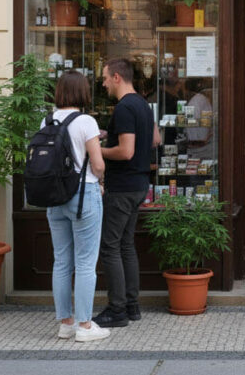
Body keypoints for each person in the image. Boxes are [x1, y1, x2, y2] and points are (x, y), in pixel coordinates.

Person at [93, 58, 160, 328]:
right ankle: (131, 306)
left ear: (118, 77)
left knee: (110, 247)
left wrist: (97, 150)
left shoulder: (123, 107)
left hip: (121, 187)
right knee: (125, 245)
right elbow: (154, 139)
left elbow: (126, 151)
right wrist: (110, 134)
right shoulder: (143, 104)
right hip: (139, 185)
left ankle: (117, 310)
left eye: (106, 77)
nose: (104, 82)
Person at [46, 71, 109, 342]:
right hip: (83, 194)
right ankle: (84, 326)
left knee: (61, 261)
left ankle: (65, 323)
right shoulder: (86, 121)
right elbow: (97, 164)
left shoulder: (47, 119)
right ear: (83, 92)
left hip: (54, 197)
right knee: (85, 262)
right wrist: (101, 180)